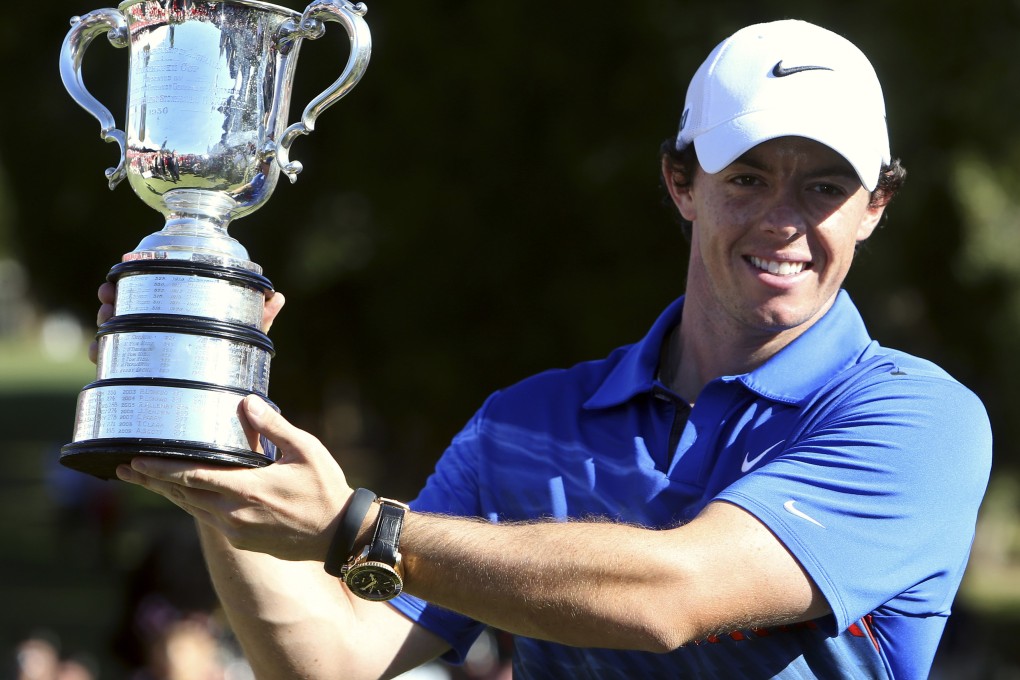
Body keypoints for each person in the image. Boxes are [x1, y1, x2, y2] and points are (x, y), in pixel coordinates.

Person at [104, 19, 992, 679]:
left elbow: (671, 596)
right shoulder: (524, 423)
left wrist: (361, 527)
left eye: (826, 187)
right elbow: (334, 660)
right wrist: (217, 445)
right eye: (749, 178)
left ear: (876, 207)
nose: (785, 221)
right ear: (681, 184)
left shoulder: (918, 421)